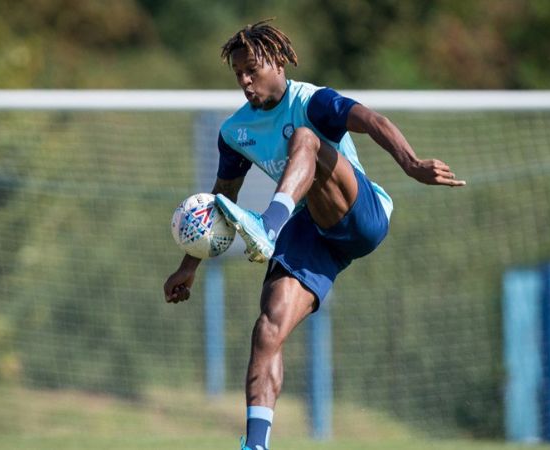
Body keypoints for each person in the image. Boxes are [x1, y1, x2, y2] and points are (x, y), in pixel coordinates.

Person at [163, 19, 465, 450]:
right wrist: (189, 264)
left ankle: (268, 226)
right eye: (238, 74)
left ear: (279, 63)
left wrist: (412, 164)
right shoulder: (234, 132)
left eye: (252, 70)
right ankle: (256, 444)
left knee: (305, 138)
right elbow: (223, 196)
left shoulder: (312, 101)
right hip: (310, 228)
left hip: (359, 216)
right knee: (268, 328)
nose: (245, 81)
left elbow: (372, 120)